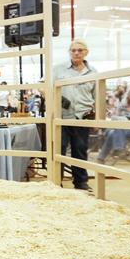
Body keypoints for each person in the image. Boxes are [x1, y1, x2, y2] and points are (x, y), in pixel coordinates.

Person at [53, 39, 97, 191]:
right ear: (69, 52)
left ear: (86, 52)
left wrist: (96, 117)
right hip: (62, 116)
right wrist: (59, 99)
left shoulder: (93, 72)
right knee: (60, 149)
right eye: (73, 50)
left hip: (83, 117)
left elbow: (97, 95)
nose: (76, 53)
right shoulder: (58, 69)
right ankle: (56, 182)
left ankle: (81, 182)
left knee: (80, 149)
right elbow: (43, 88)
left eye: (80, 50)